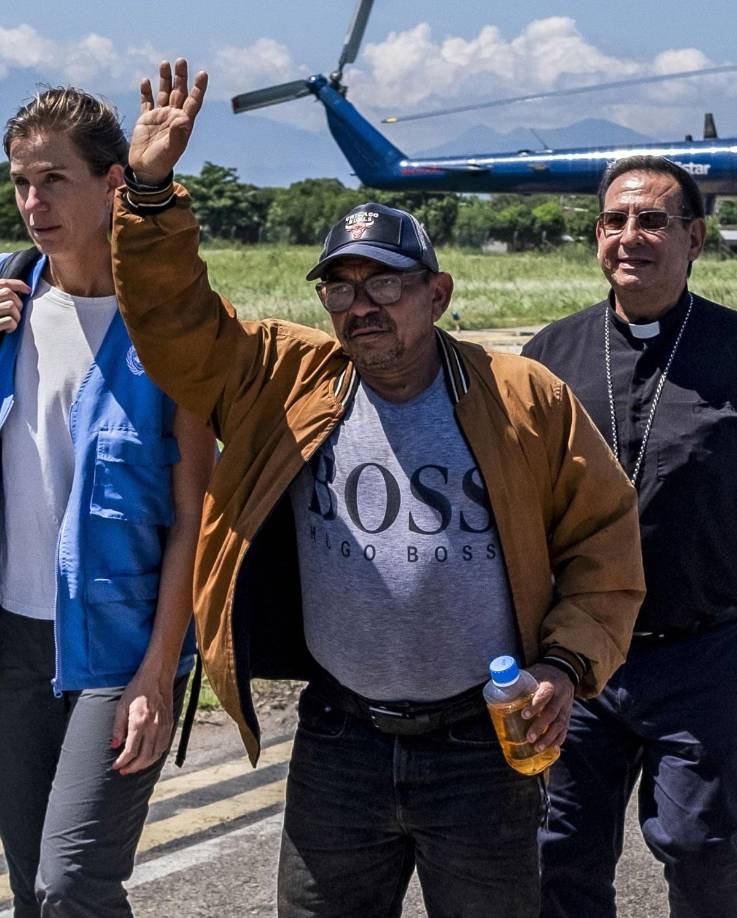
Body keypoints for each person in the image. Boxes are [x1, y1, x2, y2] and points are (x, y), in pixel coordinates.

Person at [111, 60, 644, 918]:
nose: (361, 305)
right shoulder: (282, 380)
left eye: (385, 282)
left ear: (437, 293)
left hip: (483, 749)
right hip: (339, 744)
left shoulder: (523, 398)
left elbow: (603, 547)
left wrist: (561, 665)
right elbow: (177, 325)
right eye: (340, 286)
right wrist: (147, 195)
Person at [0, 88, 213, 917]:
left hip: (119, 650)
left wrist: (158, 671)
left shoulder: (167, 328)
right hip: (14, 645)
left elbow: (194, 516)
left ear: (112, 183)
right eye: (21, 182)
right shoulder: (10, 306)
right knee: (32, 893)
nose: (34, 203)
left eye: (55, 179)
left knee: (72, 883)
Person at [522, 155, 737, 918]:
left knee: (704, 850)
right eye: (613, 221)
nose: (628, 236)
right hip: (575, 655)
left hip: (702, 654)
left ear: (694, 239)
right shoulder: (548, 358)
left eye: (651, 220)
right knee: (557, 854)